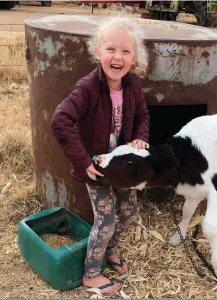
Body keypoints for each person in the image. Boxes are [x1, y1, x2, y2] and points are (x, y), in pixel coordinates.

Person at [51, 17, 150, 295]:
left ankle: (110, 250)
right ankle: (91, 274)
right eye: (111, 49)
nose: (117, 57)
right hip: (98, 169)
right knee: (105, 221)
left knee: (129, 214)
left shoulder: (133, 86)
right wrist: (83, 162)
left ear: (135, 57)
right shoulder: (87, 88)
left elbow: (143, 115)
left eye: (126, 51)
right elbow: (60, 120)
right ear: (98, 51)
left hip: (123, 166)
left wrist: (140, 137)